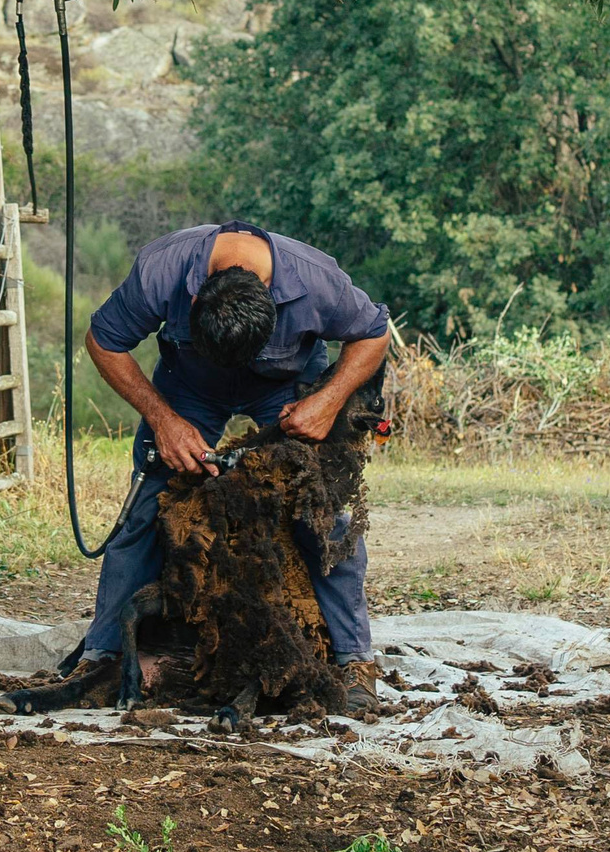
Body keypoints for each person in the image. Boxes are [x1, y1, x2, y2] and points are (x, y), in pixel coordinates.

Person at [79, 222, 392, 715]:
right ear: (195, 301)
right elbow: (103, 341)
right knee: (149, 504)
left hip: (285, 385)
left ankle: (354, 660)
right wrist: (163, 420)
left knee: (322, 513)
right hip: (191, 386)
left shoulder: (316, 282)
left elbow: (374, 335)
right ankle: (102, 655)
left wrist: (328, 402)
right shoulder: (161, 271)